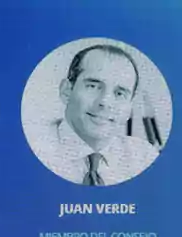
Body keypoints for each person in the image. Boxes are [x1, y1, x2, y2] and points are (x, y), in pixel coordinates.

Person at [34, 43, 160, 185]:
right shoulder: (35, 150)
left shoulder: (144, 158)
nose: (105, 102)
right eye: (93, 86)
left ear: (130, 105)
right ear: (67, 90)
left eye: (120, 93)